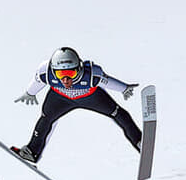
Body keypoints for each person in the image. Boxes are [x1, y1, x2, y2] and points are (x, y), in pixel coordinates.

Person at [11, 47, 141, 164]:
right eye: (60, 74)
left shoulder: (91, 74)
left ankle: (139, 142)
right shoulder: (45, 72)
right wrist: (30, 93)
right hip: (60, 98)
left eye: (71, 73)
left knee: (118, 113)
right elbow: (37, 81)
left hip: (90, 97)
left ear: (79, 68)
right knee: (46, 118)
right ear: (53, 70)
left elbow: (107, 81)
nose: (66, 80)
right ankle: (31, 152)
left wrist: (124, 88)